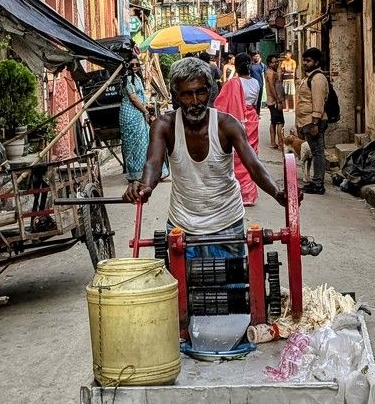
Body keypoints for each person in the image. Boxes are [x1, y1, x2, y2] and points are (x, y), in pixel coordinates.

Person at [123, 57, 287, 258]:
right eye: (186, 94)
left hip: (226, 221)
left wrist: (277, 192)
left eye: (200, 92)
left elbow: (253, 165)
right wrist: (145, 185)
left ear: (210, 91)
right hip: (182, 223)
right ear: (176, 95)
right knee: (183, 288)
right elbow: (153, 163)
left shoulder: (227, 125)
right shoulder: (164, 125)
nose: (195, 101)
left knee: (234, 285)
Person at [214, 54, 260, 206]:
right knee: (250, 154)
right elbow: (255, 103)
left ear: (237, 66)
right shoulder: (256, 83)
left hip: (236, 120)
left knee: (236, 157)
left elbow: (219, 105)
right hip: (252, 119)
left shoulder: (233, 83)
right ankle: (249, 194)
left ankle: (236, 193)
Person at [119, 56, 169, 183]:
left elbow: (141, 96)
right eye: (132, 65)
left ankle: (153, 173)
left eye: (137, 64)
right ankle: (136, 175)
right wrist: (145, 111)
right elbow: (134, 98)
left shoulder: (137, 78)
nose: (135, 67)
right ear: (127, 66)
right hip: (130, 115)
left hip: (139, 113)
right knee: (134, 146)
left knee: (146, 142)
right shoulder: (127, 79)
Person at [295, 47, 329, 194]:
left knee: (318, 153)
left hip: (313, 121)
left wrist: (315, 123)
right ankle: (316, 182)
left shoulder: (318, 78)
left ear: (316, 62)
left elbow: (318, 102)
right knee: (316, 152)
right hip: (306, 121)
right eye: (304, 60)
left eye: (308, 61)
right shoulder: (309, 77)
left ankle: (318, 184)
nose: (305, 63)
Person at [264, 53, 286, 150]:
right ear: (269, 63)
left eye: (277, 62)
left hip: (272, 101)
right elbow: (272, 88)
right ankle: (280, 144)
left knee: (273, 122)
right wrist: (278, 101)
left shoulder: (272, 72)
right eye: (274, 62)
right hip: (274, 101)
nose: (276, 64)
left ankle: (273, 142)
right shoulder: (270, 73)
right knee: (280, 122)